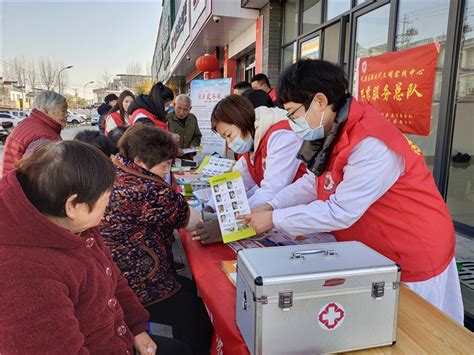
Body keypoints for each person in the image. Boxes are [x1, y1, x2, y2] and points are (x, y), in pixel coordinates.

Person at [241, 59, 464, 324]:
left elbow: (340, 211)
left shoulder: (370, 141)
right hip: (374, 249)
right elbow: (313, 182)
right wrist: (272, 206)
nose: (291, 123)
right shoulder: (332, 130)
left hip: (411, 247)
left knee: (418, 332)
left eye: (293, 113)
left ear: (320, 101)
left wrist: (275, 219)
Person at [0, 141, 191, 354]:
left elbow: (113, 278)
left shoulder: (76, 224)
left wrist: (137, 328)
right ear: (73, 206)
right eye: (106, 197)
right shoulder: (23, 275)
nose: (109, 206)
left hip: (120, 338)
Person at [100, 125, 212, 355]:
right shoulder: (150, 189)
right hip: (137, 281)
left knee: (191, 290)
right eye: (164, 164)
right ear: (141, 161)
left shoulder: (116, 170)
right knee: (198, 313)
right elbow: (193, 221)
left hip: (115, 274)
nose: (167, 170)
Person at [193, 94, 306, 244]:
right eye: (225, 138)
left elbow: (272, 190)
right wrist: (211, 207)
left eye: (229, 135)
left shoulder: (282, 135)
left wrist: (228, 225)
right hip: (279, 215)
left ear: (241, 121)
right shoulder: (252, 142)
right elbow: (234, 181)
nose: (229, 143)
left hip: (300, 216)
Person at [2, 90, 67, 176]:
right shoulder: (43, 137)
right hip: (22, 187)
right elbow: (44, 178)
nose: (66, 114)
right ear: (46, 111)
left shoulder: (29, 123)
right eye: (63, 110)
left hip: (11, 183)